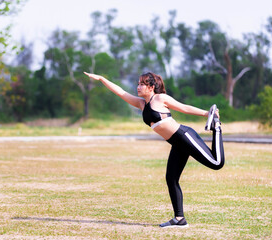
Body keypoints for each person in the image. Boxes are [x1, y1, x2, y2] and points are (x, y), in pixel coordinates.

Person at [84, 71, 225, 228]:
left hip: (184, 135)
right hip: (177, 144)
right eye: (138, 83)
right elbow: (121, 92)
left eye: (141, 84)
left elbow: (183, 107)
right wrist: (103, 78)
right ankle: (179, 219)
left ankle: (217, 127)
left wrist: (207, 113)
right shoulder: (141, 104)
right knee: (171, 179)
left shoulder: (160, 98)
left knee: (216, 163)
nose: (138, 87)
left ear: (151, 87)